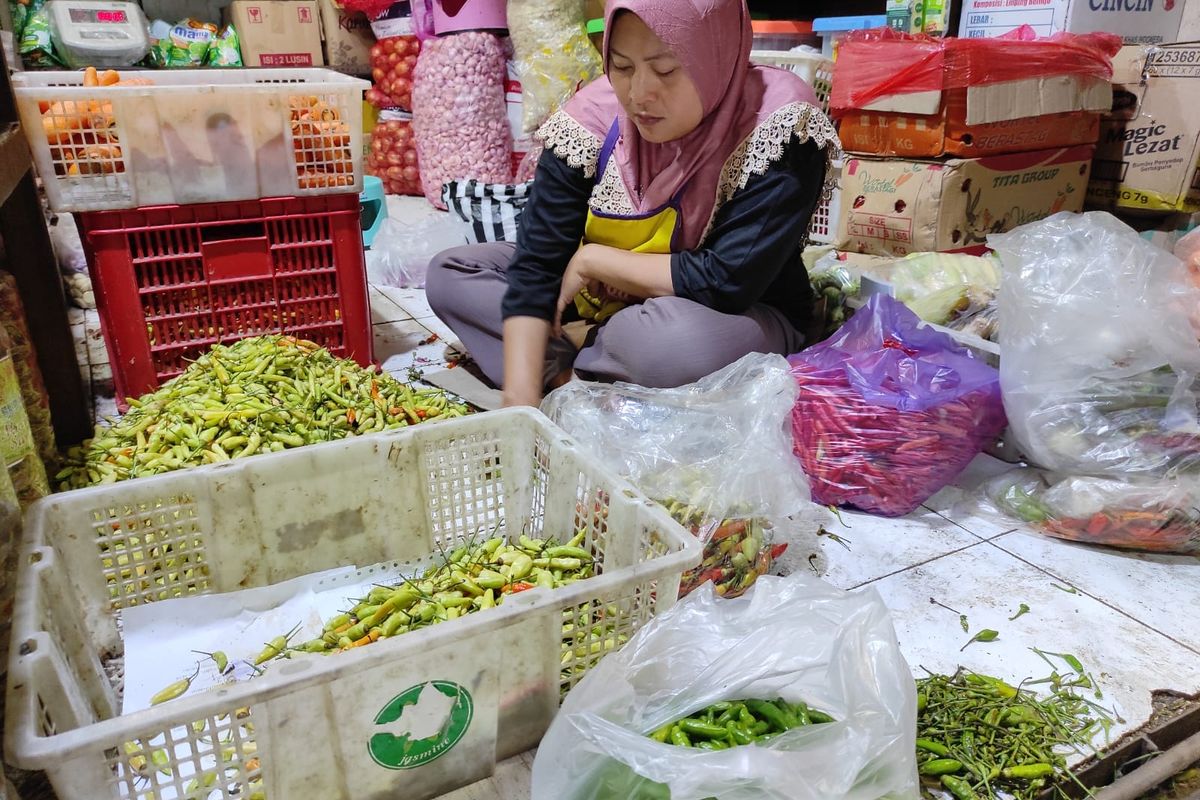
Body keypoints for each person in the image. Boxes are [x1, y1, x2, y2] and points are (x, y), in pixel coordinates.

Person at [426, 0, 840, 408]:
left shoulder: (779, 125)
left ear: (715, 53)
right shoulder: (592, 116)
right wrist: (520, 399)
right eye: (622, 67)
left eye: (665, 69)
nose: (639, 94)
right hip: (605, 306)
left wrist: (594, 262)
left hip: (727, 311)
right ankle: (580, 373)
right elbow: (539, 259)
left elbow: (727, 281)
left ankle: (591, 363)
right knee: (453, 273)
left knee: (672, 344)